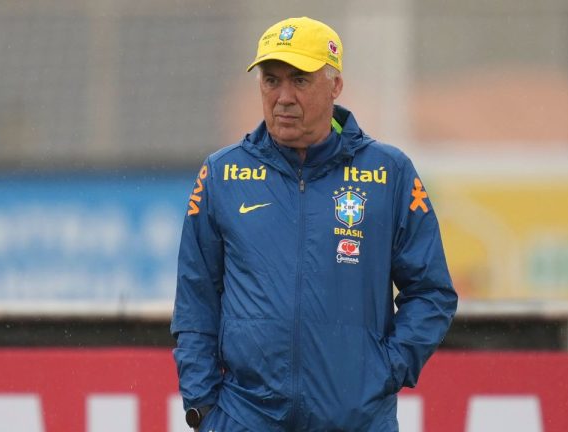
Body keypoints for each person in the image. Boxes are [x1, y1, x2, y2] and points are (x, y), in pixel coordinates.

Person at [171, 16, 457, 432]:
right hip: (244, 419)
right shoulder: (221, 174)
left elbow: (431, 291)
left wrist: (385, 370)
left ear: (335, 85)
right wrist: (202, 406)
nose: (283, 97)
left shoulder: (389, 172)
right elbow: (196, 298)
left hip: (356, 420)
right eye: (271, 81)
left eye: (300, 81)